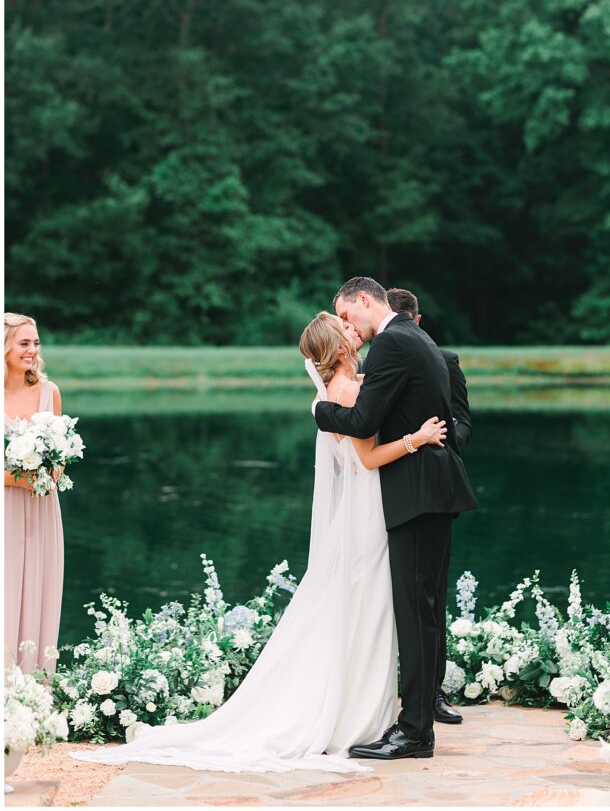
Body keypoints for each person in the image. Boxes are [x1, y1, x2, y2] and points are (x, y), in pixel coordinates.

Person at [72, 312, 447, 774]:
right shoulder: (348, 393)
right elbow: (368, 459)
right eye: (347, 330)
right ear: (341, 348)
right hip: (369, 514)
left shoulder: (341, 391)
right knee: (368, 608)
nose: (357, 332)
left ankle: (365, 710)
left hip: (363, 515)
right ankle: (358, 716)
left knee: (359, 608)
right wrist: (417, 438)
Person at [313, 277, 478, 760]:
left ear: (364, 300)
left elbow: (363, 422)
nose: (348, 328)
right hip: (432, 489)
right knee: (423, 612)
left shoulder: (391, 343)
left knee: (415, 614)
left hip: (418, 493)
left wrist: (322, 411)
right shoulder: (417, 337)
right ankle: (415, 723)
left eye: (346, 316)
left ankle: (415, 733)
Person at [386, 287, 471, 726]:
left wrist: (441, 439)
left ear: (416, 323)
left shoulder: (446, 360)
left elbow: (463, 419)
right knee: (408, 599)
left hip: (435, 484)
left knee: (430, 596)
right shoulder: (377, 363)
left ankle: (431, 694)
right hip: (395, 488)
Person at [4, 313, 64, 673]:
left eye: (36, 343)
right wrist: (16, 479)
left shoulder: (48, 391)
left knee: (38, 592)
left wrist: (50, 475)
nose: (32, 351)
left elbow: (60, 454)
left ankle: (34, 690)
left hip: (42, 508)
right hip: (5, 508)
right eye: (24, 342)